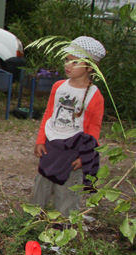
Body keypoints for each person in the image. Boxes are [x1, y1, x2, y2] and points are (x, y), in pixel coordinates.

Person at [30, 36, 105, 217]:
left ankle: (62, 233)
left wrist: (85, 157)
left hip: (73, 151)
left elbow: (94, 130)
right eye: (67, 60)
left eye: (75, 61)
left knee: (67, 195)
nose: (68, 65)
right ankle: (30, 225)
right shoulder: (58, 86)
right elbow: (48, 115)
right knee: (40, 188)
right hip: (51, 147)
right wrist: (41, 140)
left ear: (90, 66)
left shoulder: (95, 96)